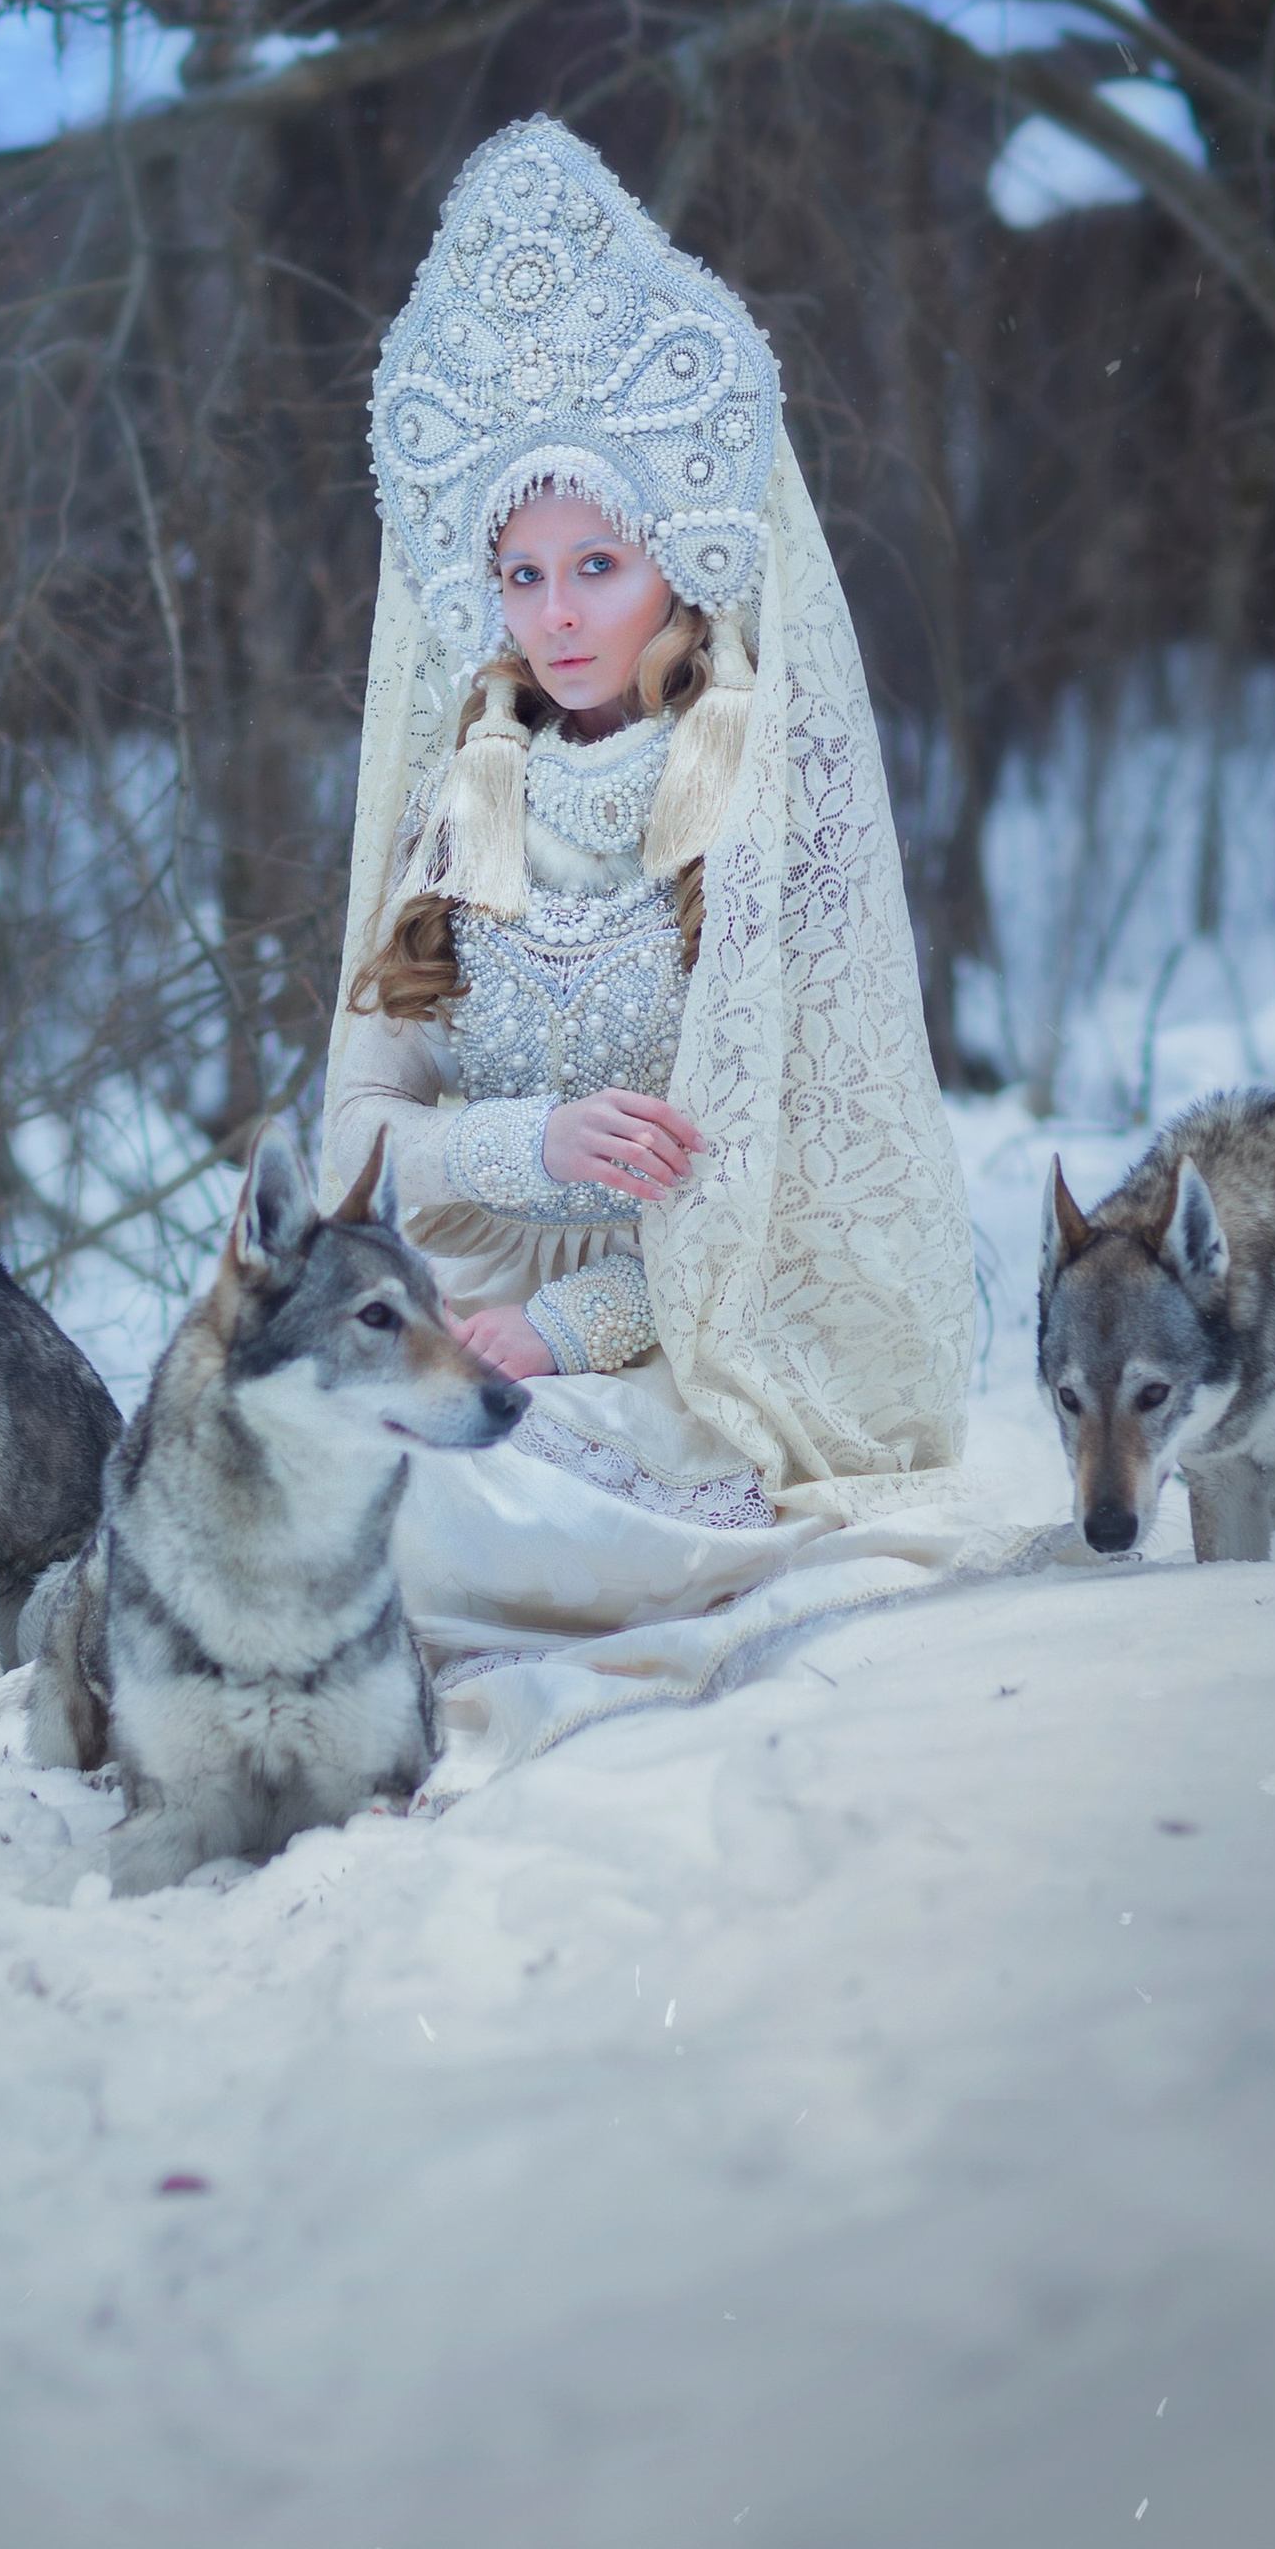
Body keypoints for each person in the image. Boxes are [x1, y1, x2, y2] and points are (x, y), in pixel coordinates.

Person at [322, 113, 990, 1700]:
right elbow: (355, 1135)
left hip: (694, 1360)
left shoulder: (752, 795)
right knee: (305, 1467)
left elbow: (778, 1187)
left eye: (596, 565)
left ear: (678, 567)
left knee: (446, 1504)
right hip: (454, 1329)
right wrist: (522, 1149)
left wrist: (568, 1336)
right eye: (519, 572)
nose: (554, 617)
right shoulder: (462, 792)